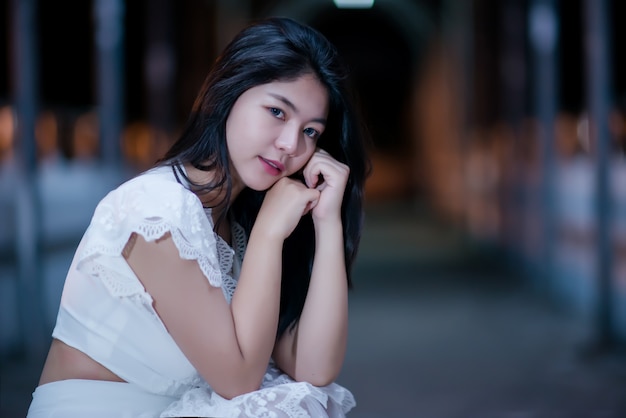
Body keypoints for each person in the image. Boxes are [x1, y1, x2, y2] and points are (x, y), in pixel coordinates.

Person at [27, 16, 370, 418]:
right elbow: (240, 381)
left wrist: (328, 221)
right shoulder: (158, 211)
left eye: (311, 131)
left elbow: (313, 368)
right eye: (277, 112)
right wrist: (268, 234)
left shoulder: (235, 219)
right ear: (229, 93)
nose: (290, 144)